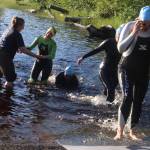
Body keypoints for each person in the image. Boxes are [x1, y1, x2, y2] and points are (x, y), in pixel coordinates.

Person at [114, 6, 150, 140]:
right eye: (143, 23)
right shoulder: (129, 26)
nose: (145, 26)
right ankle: (120, 131)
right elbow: (120, 48)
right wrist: (134, 32)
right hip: (126, 69)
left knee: (138, 101)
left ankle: (133, 130)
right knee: (127, 97)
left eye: (148, 24)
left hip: (144, 72)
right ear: (139, 20)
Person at [77, 31, 122, 102]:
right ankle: (108, 109)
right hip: (104, 70)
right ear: (117, 35)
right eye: (119, 35)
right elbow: (96, 50)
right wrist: (83, 57)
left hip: (114, 71)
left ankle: (104, 104)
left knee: (109, 89)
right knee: (111, 89)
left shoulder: (125, 44)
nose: (120, 38)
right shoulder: (109, 42)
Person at [0, 16, 41, 89]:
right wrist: (35, 56)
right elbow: (23, 49)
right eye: (23, 26)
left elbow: (6, 43)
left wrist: (16, 49)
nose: (23, 28)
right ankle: (7, 97)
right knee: (11, 78)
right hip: (5, 58)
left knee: (2, 74)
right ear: (19, 25)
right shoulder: (17, 34)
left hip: (1, 55)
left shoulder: (8, 30)